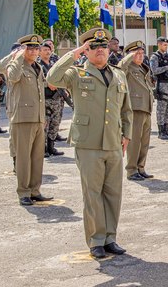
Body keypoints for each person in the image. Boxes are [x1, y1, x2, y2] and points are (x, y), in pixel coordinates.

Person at [47, 28, 132, 259]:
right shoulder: (76, 74)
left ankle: (110, 238)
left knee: (113, 193)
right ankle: (96, 239)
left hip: (113, 141)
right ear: (86, 50)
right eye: (93, 47)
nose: (100, 50)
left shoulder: (118, 74)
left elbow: (126, 109)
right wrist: (74, 54)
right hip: (88, 143)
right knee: (92, 194)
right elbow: (52, 78)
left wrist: (127, 135)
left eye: (103, 46)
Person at [5, 34, 52, 206]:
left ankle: (35, 190)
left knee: (37, 157)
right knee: (24, 158)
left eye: (36, 48)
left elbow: (40, 95)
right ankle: (23, 192)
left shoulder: (37, 67)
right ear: (23, 50)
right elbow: (13, 77)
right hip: (22, 119)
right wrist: (17, 57)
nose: (33, 51)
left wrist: (43, 117)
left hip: (37, 118)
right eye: (29, 48)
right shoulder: (16, 65)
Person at [119, 41, 155, 181]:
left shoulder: (143, 68)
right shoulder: (128, 68)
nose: (140, 56)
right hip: (135, 108)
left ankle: (140, 167)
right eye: (136, 53)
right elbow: (120, 67)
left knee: (144, 141)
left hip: (146, 108)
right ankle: (131, 170)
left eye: (141, 53)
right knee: (134, 142)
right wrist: (129, 57)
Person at [0, 43, 22, 171]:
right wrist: (13, 55)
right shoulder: (9, 65)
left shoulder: (29, 64)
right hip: (14, 103)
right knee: (14, 134)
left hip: (29, 104)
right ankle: (16, 161)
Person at [38, 43, 65, 157]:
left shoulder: (54, 65)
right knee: (45, 125)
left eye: (49, 50)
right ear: (39, 52)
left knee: (55, 123)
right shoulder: (37, 65)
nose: (48, 52)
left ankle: (51, 147)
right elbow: (36, 81)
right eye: (45, 50)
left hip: (56, 99)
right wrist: (47, 84)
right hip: (45, 99)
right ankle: (43, 149)